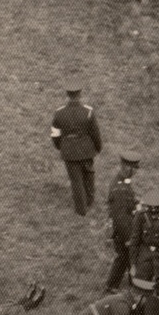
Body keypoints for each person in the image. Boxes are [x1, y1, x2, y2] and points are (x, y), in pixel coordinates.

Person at [51, 81, 103, 217]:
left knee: (76, 180)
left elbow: (55, 135)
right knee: (89, 175)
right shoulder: (88, 112)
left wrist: (60, 146)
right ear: (80, 94)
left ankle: (81, 210)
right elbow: (95, 133)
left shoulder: (59, 113)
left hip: (69, 152)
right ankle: (90, 201)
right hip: (86, 151)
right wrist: (98, 147)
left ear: (67, 95)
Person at [104, 150, 141, 293]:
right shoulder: (120, 189)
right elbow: (120, 217)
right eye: (135, 169)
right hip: (124, 231)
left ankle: (123, 282)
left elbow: (127, 201)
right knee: (124, 256)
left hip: (125, 227)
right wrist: (129, 238)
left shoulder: (123, 181)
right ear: (128, 168)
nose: (136, 172)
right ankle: (111, 285)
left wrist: (136, 203)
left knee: (125, 257)